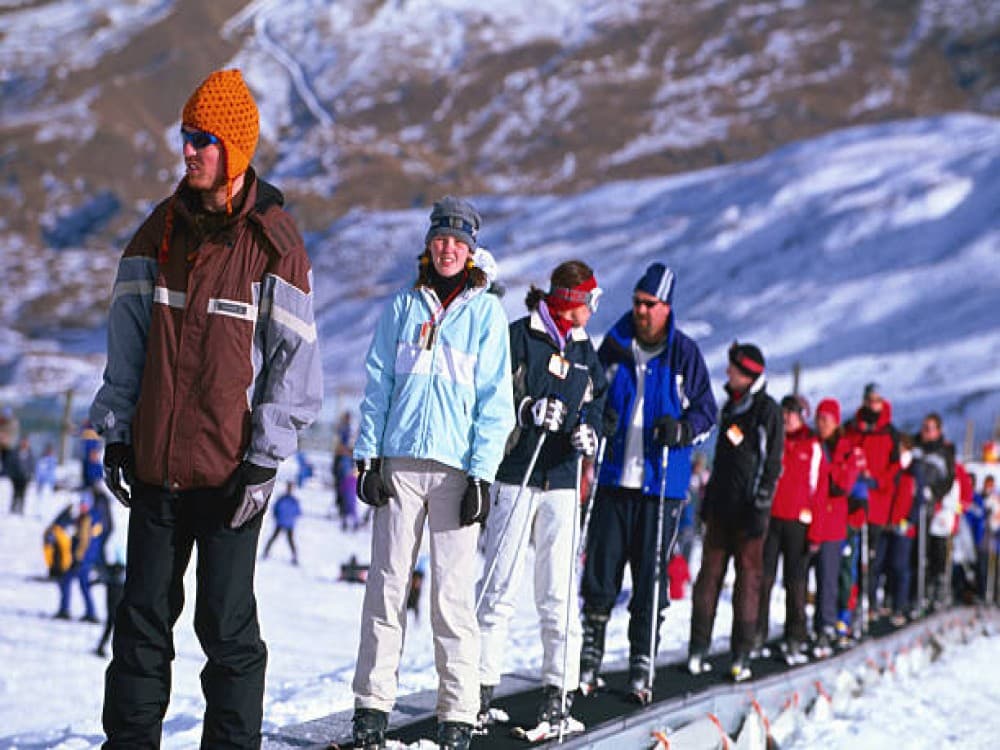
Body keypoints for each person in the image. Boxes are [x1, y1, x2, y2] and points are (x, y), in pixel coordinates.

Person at [89, 69, 322, 748]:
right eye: (185, 137)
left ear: (236, 150)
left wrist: (263, 461)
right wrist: (118, 429)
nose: (188, 151)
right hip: (158, 471)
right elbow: (127, 345)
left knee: (226, 633)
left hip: (230, 478)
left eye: (202, 140)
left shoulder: (274, 244)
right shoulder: (157, 233)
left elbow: (296, 368)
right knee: (140, 629)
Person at [350, 196, 514, 750]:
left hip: (455, 475)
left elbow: (496, 403)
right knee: (386, 588)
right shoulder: (402, 307)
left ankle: (457, 713)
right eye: (440, 237)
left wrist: (481, 477)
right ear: (430, 243)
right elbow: (377, 388)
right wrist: (367, 457)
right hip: (398, 464)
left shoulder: (486, 313)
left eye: (458, 240)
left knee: (450, 597)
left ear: (471, 249)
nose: (447, 247)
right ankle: (371, 706)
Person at [476, 260, 607, 731]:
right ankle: (480, 688)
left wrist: (588, 432)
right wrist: (529, 408)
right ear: (571, 301)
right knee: (499, 585)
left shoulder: (585, 350)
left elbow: (600, 406)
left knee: (556, 592)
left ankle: (559, 692)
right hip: (517, 472)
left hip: (562, 478)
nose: (593, 310)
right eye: (591, 301)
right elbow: (492, 396)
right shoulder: (520, 336)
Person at [580, 263, 717, 696]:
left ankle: (642, 657)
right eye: (637, 302)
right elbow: (589, 394)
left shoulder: (684, 354)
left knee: (649, 576)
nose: (640, 310)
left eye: (649, 304)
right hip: (614, 476)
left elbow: (706, 413)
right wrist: (599, 417)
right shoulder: (616, 344)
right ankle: (590, 653)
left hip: (661, 485)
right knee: (601, 570)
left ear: (666, 307)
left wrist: (682, 429)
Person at [688, 342, 782, 682]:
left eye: (734, 369)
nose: (728, 373)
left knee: (748, 581)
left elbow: (771, 463)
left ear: (749, 374)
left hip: (749, 513)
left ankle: (741, 651)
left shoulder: (767, 411)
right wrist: (708, 500)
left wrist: (760, 504)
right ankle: (698, 646)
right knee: (708, 576)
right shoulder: (730, 406)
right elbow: (721, 461)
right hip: (721, 510)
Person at [755, 394, 820, 665]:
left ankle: (796, 634)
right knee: (764, 579)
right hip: (772, 519)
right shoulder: (773, 440)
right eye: (785, 411)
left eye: (793, 412)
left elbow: (817, 488)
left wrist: (815, 528)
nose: (787, 416)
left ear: (803, 415)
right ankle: (757, 633)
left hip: (798, 522)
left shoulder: (812, 444)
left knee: (796, 581)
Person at [807, 398, 863, 656]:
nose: (821, 424)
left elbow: (842, 484)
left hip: (831, 522)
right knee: (798, 579)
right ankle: (801, 627)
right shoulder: (812, 443)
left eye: (826, 419)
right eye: (819, 418)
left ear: (836, 422)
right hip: (808, 517)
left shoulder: (846, 449)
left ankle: (826, 625)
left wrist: (827, 467)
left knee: (828, 578)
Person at [843, 382, 899, 624]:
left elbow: (895, 467)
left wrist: (880, 480)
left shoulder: (889, 432)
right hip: (854, 500)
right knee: (852, 555)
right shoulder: (853, 427)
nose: (872, 405)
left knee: (873, 556)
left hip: (877, 502)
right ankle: (851, 603)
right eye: (869, 400)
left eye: (876, 400)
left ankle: (871, 601)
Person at [911, 412, 956, 610]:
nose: (926, 432)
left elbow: (949, 478)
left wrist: (935, 493)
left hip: (936, 506)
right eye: (924, 427)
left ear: (938, 430)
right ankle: (917, 590)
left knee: (935, 547)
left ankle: (936, 585)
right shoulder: (916, 447)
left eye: (930, 428)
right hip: (915, 505)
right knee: (916, 548)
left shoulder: (944, 452)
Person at [55, 485, 110, 622]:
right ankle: (89, 612)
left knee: (69, 581)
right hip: (89, 557)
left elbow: (84, 540)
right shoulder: (94, 517)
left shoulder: (87, 519)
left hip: (82, 558)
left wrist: (78, 558)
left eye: (83, 504)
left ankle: (67, 610)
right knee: (82, 584)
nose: (81, 507)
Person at [263, 482, 302, 565]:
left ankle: (295, 557)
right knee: (274, 538)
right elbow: (275, 510)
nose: (289, 489)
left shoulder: (294, 500)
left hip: (289, 524)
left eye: (291, 487)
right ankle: (266, 552)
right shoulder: (282, 498)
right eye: (289, 487)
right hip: (281, 522)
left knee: (290, 541)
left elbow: (298, 512)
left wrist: (292, 518)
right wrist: (277, 517)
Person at [6, 435, 35, 515]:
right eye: (23, 442)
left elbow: (32, 465)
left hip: (25, 477)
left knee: (23, 494)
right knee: (15, 493)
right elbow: (10, 463)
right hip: (15, 477)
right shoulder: (15, 452)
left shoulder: (30, 453)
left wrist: (30, 475)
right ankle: (12, 509)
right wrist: (11, 474)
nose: (24, 444)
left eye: (26, 442)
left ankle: (21, 510)